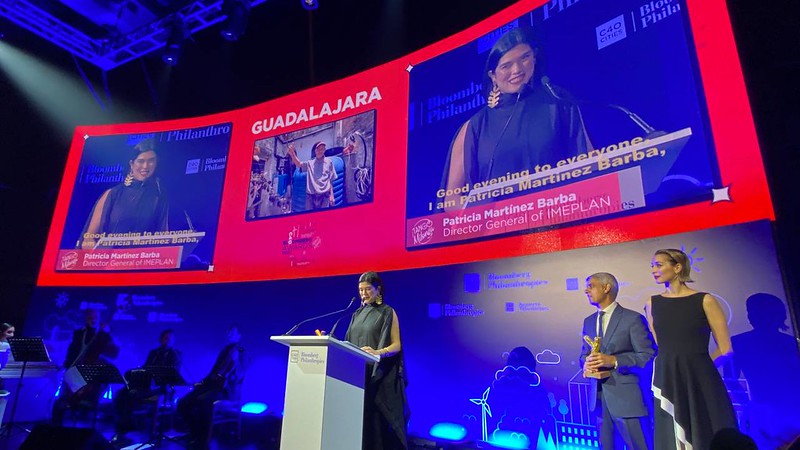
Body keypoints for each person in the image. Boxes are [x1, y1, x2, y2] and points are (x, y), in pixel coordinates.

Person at [440, 27, 591, 207]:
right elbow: (451, 199)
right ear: (493, 76)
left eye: (525, 58)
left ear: (534, 58)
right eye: (506, 66)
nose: (517, 69)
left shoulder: (558, 102)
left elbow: (588, 161)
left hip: (558, 223)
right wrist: (484, 219)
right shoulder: (474, 127)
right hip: (498, 230)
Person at [645, 249, 738, 450]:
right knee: (671, 433)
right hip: (667, 377)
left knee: (706, 428)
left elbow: (725, 349)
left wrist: (699, 370)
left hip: (701, 378)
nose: (654, 270)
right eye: (652, 266)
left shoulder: (705, 300)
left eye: (659, 265)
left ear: (677, 267)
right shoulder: (652, 303)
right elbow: (661, 344)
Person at [580, 272, 656, 450]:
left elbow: (648, 356)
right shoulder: (589, 321)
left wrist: (614, 360)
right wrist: (586, 363)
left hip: (628, 402)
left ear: (606, 288)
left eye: (591, 286)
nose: (586, 290)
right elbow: (584, 354)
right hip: (598, 401)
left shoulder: (633, 319)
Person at [344, 271, 409, 450]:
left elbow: (397, 346)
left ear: (378, 289)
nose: (363, 294)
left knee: (376, 430)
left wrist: (377, 352)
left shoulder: (388, 312)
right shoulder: (356, 314)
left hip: (378, 378)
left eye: (367, 289)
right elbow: (347, 343)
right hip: (357, 377)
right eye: (360, 290)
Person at [78, 138, 169, 249]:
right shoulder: (112, 194)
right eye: (141, 161)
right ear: (131, 163)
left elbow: (163, 240)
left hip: (142, 262)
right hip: (107, 262)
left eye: (151, 161)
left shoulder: (159, 197)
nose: (146, 166)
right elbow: (88, 239)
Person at [177, 324, 246, 450]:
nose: (230, 335)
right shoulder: (224, 351)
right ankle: (195, 433)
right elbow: (213, 373)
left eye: (233, 333)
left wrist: (235, 362)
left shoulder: (240, 351)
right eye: (229, 332)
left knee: (204, 401)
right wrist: (200, 383)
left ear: (239, 336)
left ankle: (203, 442)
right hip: (210, 387)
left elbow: (239, 375)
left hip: (225, 391)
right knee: (183, 402)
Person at [111, 329, 183, 443]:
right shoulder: (153, 353)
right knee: (120, 394)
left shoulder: (176, 354)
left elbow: (173, 374)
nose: (168, 340)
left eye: (170, 338)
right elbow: (146, 368)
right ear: (161, 339)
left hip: (162, 388)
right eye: (166, 337)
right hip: (146, 385)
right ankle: (123, 427)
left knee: (134, 396)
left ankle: (136, 428)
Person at [52, 309, 120, 425]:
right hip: (76, 372)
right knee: (61, 400)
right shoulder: (79, 334)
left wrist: (107, 334)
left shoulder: (104, 334)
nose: (92, 319)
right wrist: (66, 366)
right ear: (85, 318)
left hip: (94, 375)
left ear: (99, 319)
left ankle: (87, 421)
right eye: (89, 317)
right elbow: (72, 352)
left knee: (90, 399)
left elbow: (113, 353)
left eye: (95, 317)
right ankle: (55, 427)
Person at [286, 141, 337, 210]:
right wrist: (292, 154)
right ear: (315, 151)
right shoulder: (310, 163)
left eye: (322, 149)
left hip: (324, 196)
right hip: (310, 197)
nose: (320, 151)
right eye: (318, 149)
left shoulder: (329, 162)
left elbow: (330, 180)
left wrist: (332, 195)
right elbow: (298, 164)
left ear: (324, 150)